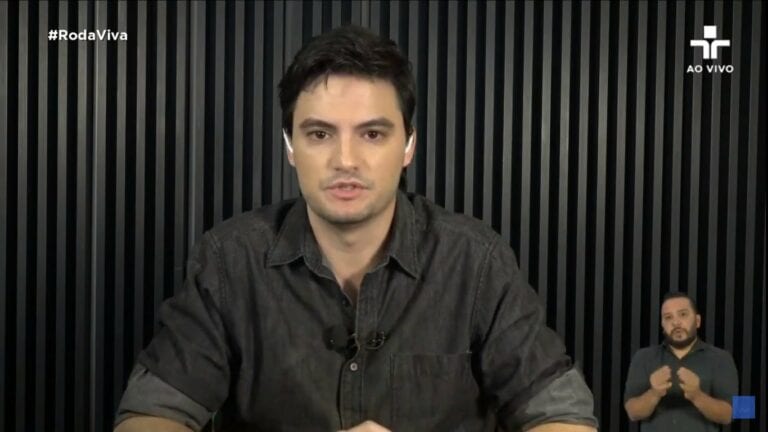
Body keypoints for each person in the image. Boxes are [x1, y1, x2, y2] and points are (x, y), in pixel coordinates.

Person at [114, 25, 598, 432]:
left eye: (372, 133)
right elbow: (149, 417)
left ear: (408, 146)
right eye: (319, 134)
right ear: (290, 146)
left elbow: (564, 418)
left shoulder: (475, 261)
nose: (345, 160)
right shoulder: (230, 259)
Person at [624, 292, 738, 431]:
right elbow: (632, 412)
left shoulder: (723, 358)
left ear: (697, 321)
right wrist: (654, 393)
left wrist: (697, 395)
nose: (676, 322)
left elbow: (735, 414)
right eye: (668, 317)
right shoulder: (642, 357)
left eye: (683, 314)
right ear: (662, 324)